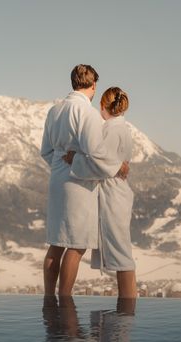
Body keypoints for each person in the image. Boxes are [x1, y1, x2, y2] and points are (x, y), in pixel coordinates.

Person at [40, 64, 129, 296]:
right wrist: (117, 167)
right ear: (93, 85)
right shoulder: (86, 112)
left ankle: (49, 297)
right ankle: (65, 298)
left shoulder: (54, 111)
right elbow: (95, 153)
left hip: (57, 181)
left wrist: (61, 165)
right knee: (76, 244)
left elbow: (46, 152)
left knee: (56, 244)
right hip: (78, 184)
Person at [64, 87, 137, 299]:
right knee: (122, 252)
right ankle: (126, 314)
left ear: (104, 105)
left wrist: (75, 159)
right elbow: (107, 161)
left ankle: (126, 315)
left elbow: (100, 162)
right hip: (116, 193)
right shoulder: (120, 128)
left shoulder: (111, 130)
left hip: (113, 196)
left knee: (122, 256)